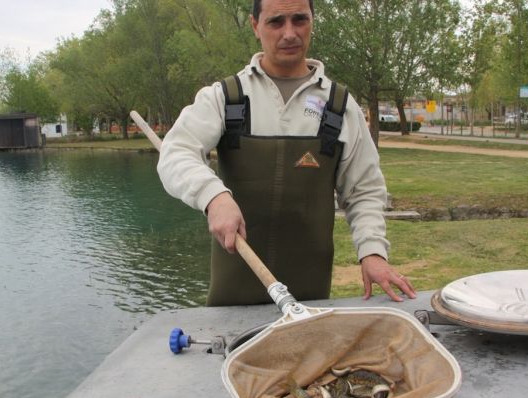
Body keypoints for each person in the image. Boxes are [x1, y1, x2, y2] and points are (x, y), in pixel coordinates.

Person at [157, 0, 415, 306]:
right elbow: (175, 153)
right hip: (230, 306)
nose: (290, 33)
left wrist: (372, 252)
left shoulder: (341, 107)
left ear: (312, 23)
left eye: (299, 20)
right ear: (255, 26)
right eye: (276, 22)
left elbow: (364, 191)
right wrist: (213, 197)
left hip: (311, 302)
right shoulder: (225, 98)